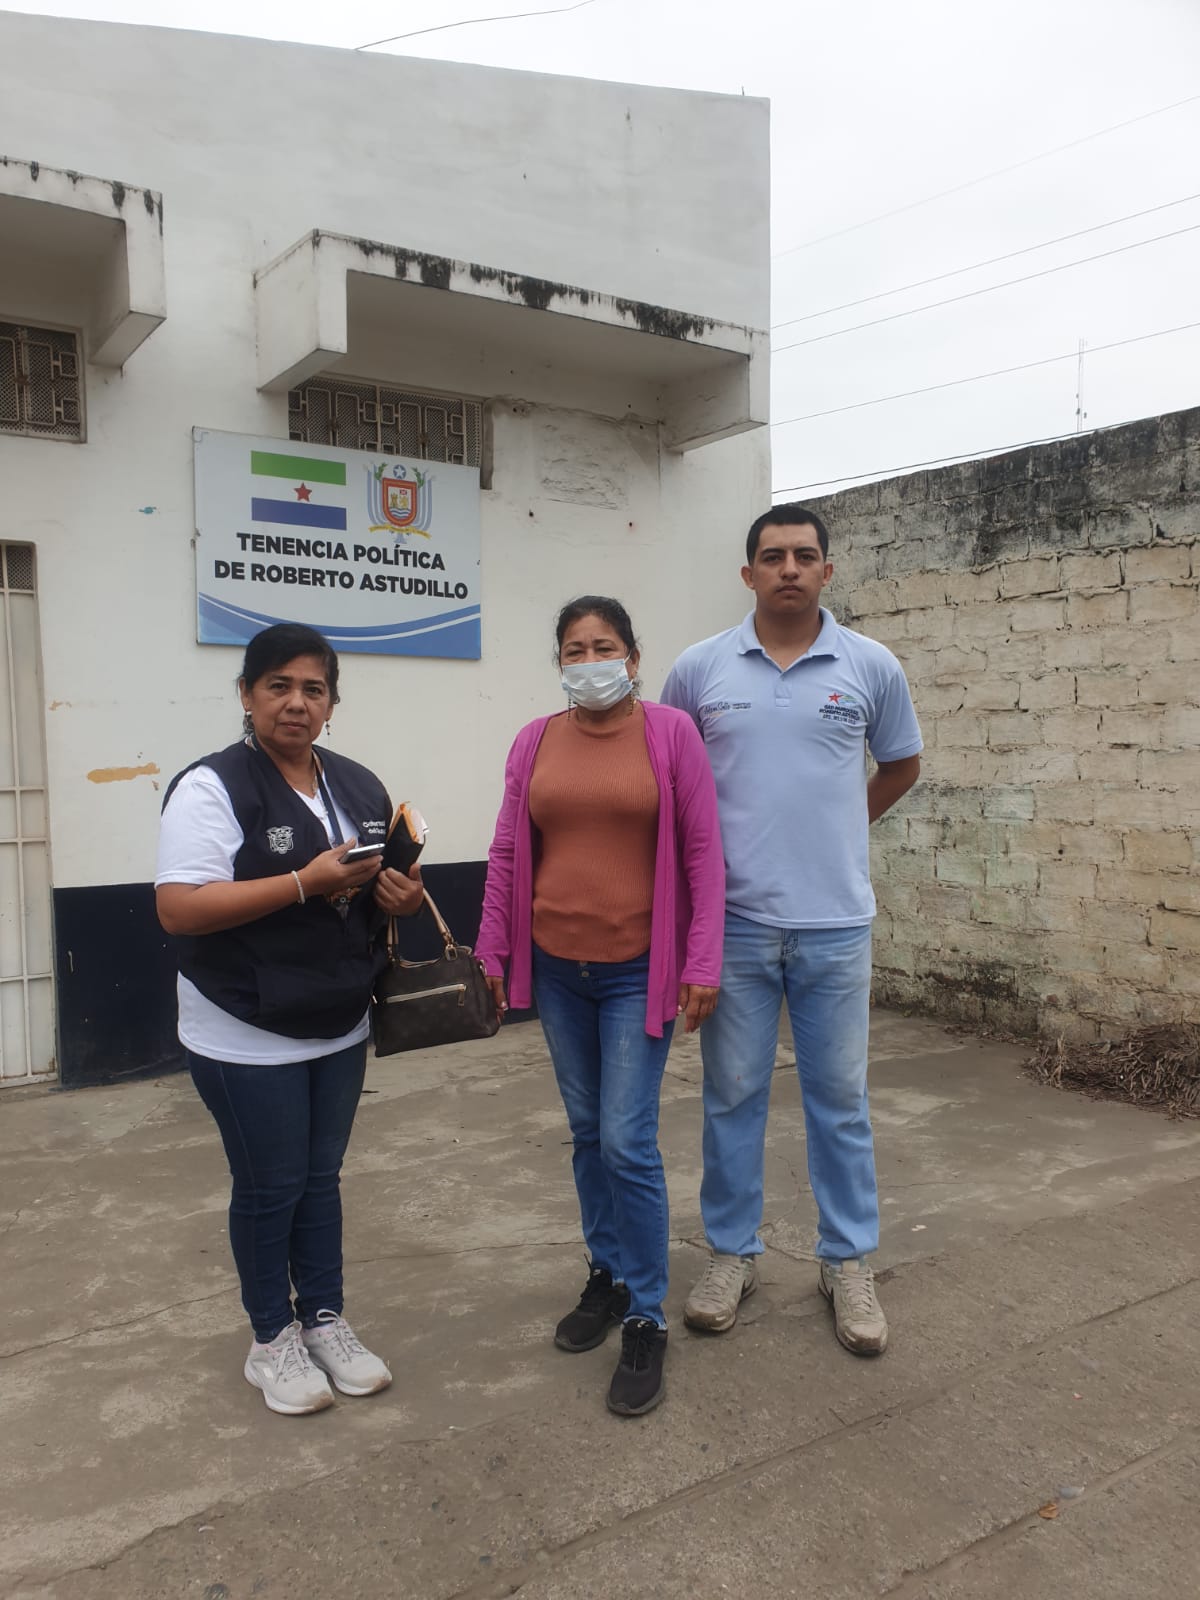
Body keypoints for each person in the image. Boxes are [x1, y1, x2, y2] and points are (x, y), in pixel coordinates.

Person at [661, 505, 922, 1356]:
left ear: (827, 571)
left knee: (839, 1104)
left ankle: (846, 1261)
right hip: (733, 927)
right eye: (772, 556)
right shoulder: (699, 670)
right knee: (732, 1097)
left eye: (805, 556)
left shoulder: (870, 665)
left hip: (836, 926)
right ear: (748, 573)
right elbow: (670, 779)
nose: (789, 569)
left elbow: (902, 764)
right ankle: (732, 1255)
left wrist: (843, 826)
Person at [156, 622, 424, 1415]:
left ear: (333, 703)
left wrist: (402, 896)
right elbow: (179, 908)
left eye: (313, 689)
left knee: (319, 1180)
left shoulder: (359, 786)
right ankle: (271, 1338)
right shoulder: (211, 787)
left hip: (338, 1017)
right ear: (246, 694)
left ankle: (326, 1320)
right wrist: (304, 882)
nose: (296, 703)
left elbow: (378, 891)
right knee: (270, 1186)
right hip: (244, 1026)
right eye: (278, 686)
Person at [475, 596, 725, 1416]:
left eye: (604, 646)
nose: (590, 662)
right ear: (559, 662)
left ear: (634, 657)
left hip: (634, 973)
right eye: (575, 649)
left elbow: (702, 852)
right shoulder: (534, 740)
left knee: (626, 1140)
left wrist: (702, 960)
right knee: (588, 1133)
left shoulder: (670, 734)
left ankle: (647, 1314)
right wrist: (490, 949)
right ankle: (609, 1275)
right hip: (557, 970)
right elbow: (507, 849)